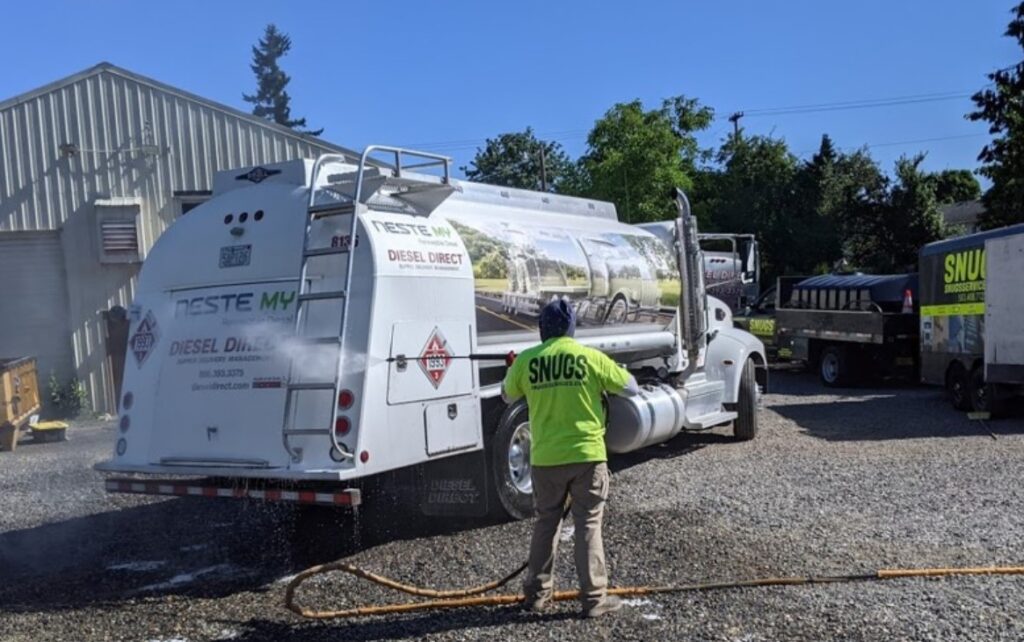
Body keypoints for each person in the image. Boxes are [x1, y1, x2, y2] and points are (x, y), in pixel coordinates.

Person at [502, 299, 639, 618]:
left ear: (542, 329)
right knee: (588, 525)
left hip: (546, 460)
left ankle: (536, 595)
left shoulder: (527, 360)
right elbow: (630, 389)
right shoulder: (590, 357)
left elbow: (507, 395)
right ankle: (593, 600)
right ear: (571, 328)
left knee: (546, 523)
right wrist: (614, 372)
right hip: (587, 457)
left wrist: (514, 368)